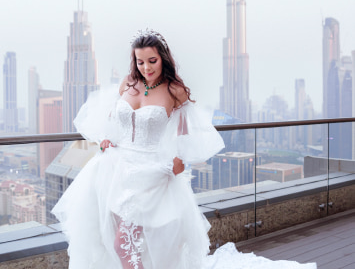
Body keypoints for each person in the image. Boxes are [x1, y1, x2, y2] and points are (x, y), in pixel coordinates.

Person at [52, 29, 317, 269]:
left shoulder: (174, 90)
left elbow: (188, 133)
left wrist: (179, 160)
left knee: (125, 243)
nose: (146, 68)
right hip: (115, 167)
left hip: (151, 172)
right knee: (112, 236)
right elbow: (112, 120)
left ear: (163, 58)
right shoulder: (127, 83)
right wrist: (106, 139)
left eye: (151, 61)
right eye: (140, 61)